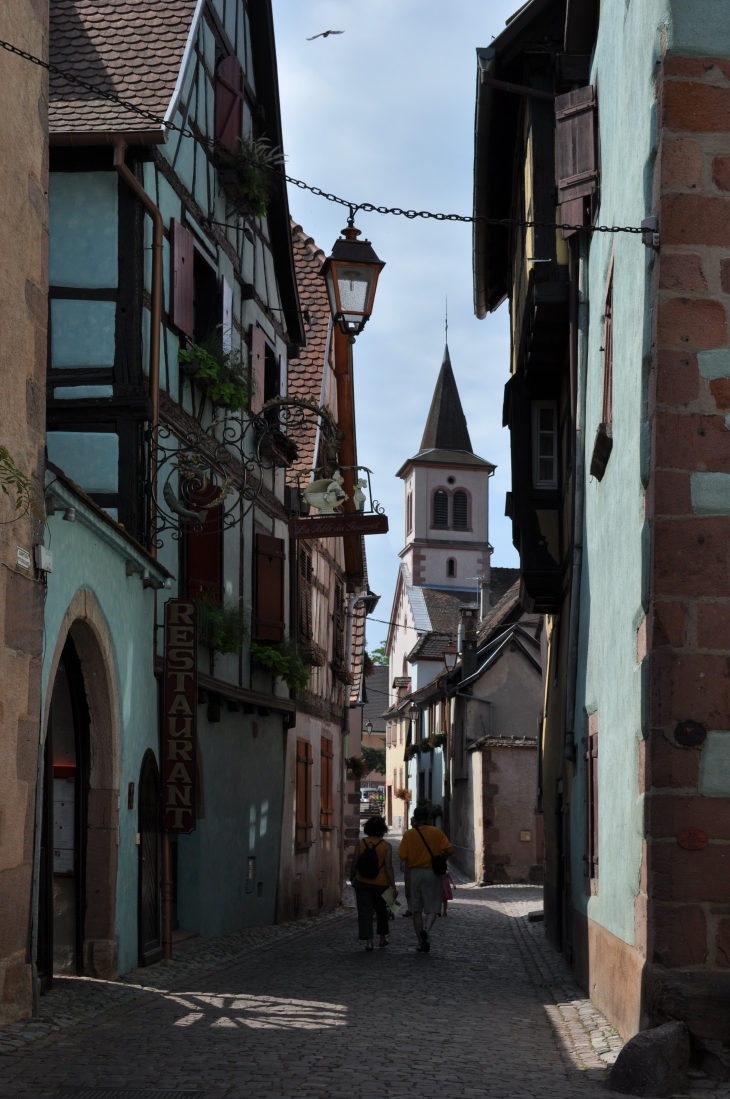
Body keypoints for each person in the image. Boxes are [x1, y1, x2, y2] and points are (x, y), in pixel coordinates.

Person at [398, 806, 453, 952]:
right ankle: (427, 930)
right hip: (432, 873)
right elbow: (449, 849)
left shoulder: (409, 834)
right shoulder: (437, 832)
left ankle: (420, 942)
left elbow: (403, 854)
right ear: (428, 818)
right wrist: (439, 856)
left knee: (416, 909)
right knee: (433, 907)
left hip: (415, 873)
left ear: (414, 818)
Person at [351, 816, 397, 951]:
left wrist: (352, 877)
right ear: (383, 830)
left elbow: (354, 863)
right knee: (381, 911)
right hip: (381, 883)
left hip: (362, 881)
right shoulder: (386, 846)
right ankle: (382, 938)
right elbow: (388, 867)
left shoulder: (361, 843)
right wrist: (393, 885)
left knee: (365, 911)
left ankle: (369, 941)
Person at [400, 813, 417, 917]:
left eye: (413, 822)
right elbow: (403, 849)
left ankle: (413, 908)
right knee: (409, 888)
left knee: (412, 887)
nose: (412, 824)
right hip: (410, 864)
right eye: (411, 822)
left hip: (412, 864)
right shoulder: (408, 834)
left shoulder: (408, 834)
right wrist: (402, 861)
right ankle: (410, 908)